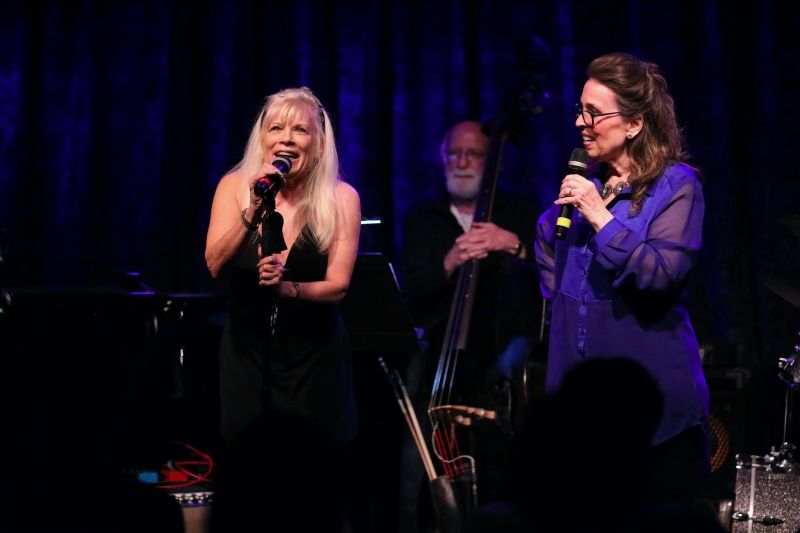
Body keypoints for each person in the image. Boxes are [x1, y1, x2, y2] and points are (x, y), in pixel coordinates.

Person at [535, 52, 711, 505]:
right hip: (581, 416)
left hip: (654, 419)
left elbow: (659, 276)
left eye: (594, 112)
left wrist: (600, 217)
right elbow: (550, 264)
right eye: (580, 110)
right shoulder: (588, 186)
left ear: (633, 123)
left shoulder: (676, 186)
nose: (581, 122)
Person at [204, 87, 361, 474]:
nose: (286, 139)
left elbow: (339, 285)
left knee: (313, 471)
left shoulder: (341, 197)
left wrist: (287, 288)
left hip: (314, 357)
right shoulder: (234, 187)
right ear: (262, 139)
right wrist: (253, 212)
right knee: (248, 468)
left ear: (319, 144)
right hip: (247, 351)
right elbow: (214, 264)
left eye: (300, 130)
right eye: (276, 128)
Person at [399, 120, 543, 530]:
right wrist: (448, 263)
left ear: (492, 162)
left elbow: (551, 278)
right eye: (455, 154)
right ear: (442, 159)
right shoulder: (422, 219)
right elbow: (409, 290)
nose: (462, 162)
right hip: (436, 363)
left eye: (474, 154)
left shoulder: (519, 213)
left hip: (503, 359)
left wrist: (513, 244)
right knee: (416, 468)